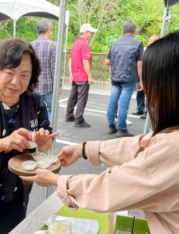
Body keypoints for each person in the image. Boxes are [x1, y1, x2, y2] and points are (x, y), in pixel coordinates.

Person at [21, 31, 179, 233]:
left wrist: (57, 181)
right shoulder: (170, 138)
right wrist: (84, 149)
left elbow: (113, 187)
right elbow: (140, 144)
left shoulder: (173, 146)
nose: (145, 89)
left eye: (147, 80)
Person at [0, 39, 59, 234]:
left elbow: (44, 146)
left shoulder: (35, 102)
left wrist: (44, 143)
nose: (16, 82)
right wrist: (5, 142)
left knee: (12, 229)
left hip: (17, 181)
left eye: (24, 75)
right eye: (9, 73)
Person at [105, 21, 144, 137]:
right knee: (123, 104)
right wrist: (141, 81)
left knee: (113, 102)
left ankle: (111, 126)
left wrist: (117, 63)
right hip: (129, 78)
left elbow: (107, 61)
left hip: (115, 78)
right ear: (134, 31)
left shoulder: (115, 43)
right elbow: (139, 64)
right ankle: (122, 129)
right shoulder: (138, 43)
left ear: (122, 31)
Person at [65, 23, 98, 128]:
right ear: (85, 32)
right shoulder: (84, 44)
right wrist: (89, 76)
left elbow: (70, 60)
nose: (90, 34)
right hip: (82, 76)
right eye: (89, 32)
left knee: (73, 96)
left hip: (75, 75)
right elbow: (85, 61)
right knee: (82, 98)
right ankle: (79, 119)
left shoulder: (75, 44)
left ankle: (69, 115)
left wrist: (71, 74)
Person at [31, 19, 57, 119]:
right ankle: (49, 131)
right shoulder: (53, 45)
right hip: (48, 86)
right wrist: (58, 85)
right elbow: (54, 67)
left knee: (34, 110)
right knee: (52, 109)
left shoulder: (31, 45)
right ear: (49, 30)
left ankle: (35, 130)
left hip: (33, 86)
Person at [133, 35, 159, 119]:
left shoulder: (158, 52)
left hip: (152, 77)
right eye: (149, 41)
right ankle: (140, 109)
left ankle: (147, 112)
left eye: (152, 41)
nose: (150, 43)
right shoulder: (144, 50)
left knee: (149, 95)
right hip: (143, 75)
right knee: (140, 93)